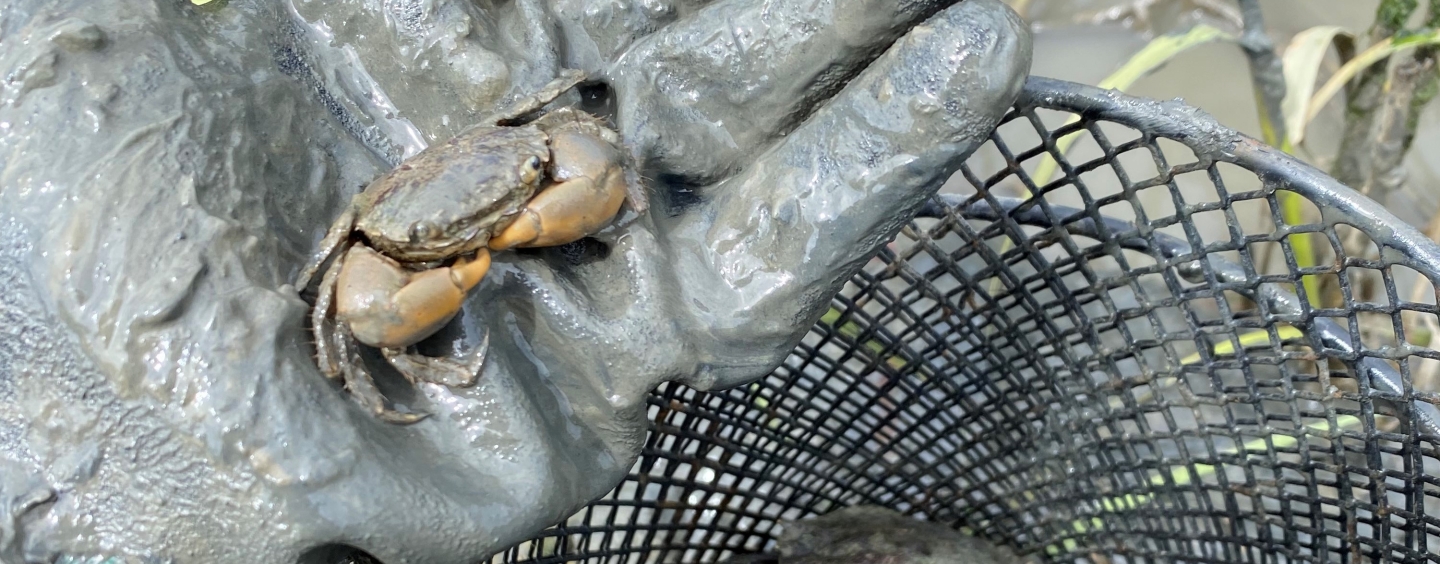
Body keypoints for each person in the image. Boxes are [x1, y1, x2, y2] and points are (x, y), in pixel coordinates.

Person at [0, 0, 1029, 561]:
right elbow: (350, 312)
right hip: (390, 238)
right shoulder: (357, 266)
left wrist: (521, 197)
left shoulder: (533, 144)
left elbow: (582, 137)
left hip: (499, 159)